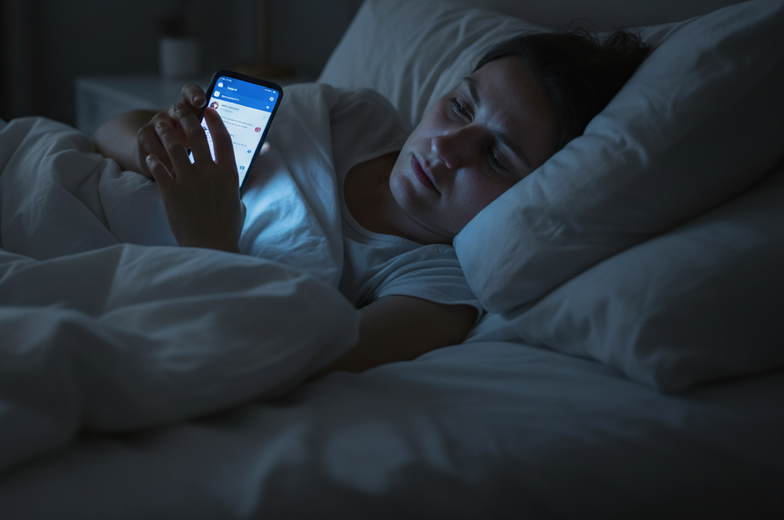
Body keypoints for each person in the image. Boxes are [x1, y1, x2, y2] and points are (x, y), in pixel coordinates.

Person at [93, 29, 652, 377]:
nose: (447, 148)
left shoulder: (438, 289)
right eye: (460, 107)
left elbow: (294, 359)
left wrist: (208, 242)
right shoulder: (355, 116)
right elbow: (111, 130)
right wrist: (169, 152)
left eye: (497, 158)